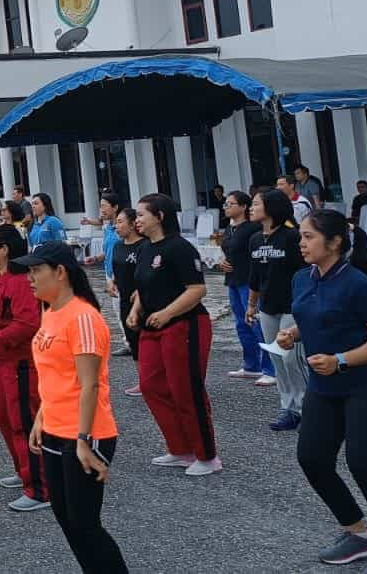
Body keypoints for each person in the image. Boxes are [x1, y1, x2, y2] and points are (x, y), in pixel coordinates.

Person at [276, 210, 367, 572]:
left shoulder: (360, 285)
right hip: (324, 387)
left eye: (308, 237)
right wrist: (292, 333)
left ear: (334, 242)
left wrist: (341, 359)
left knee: (364, 465)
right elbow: (312, 316)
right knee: (313, 459)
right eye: (301, 236)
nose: (301, 243)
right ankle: (357, 533)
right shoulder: (301, 278)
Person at [21, 242, 128, 574]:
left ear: (61, 272)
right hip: (54, 428)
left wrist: (83, 439)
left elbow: (89, 383)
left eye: (36, 270)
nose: (30, 279)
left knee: (85, 522)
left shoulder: (83, 317)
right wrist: (40, 418)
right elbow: (54, 374)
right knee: (65, 516)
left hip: (86, 432)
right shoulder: (50, 312)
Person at [127, 194, 220, 475]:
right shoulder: (144, 249)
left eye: (142, 215)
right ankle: (180, 448)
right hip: (152, 327)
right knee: (151, 386)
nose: (137, 220)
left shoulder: (180, 248)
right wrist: (135, 309)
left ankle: (207, 456)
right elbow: (142, 286)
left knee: (186, 390)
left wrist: (167, 312)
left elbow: (197, 289)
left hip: (184, 324)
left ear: (160, 216)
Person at [0, 224, 47, 511]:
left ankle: (41, 487)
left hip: (19, 363)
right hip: (2, 362)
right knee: (5, 418)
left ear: (4, 249)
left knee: (24, 423)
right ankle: (24, 470)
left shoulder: (18, 282)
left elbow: (28, 324)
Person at [247, 189, 308, 430]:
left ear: (271, 207)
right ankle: (288, 408)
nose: (251, 208)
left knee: (292, 359)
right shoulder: (255, 239)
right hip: (268, 307)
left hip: (292, 306)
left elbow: (305, 272)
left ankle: (307, 409)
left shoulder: (292, 237)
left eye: (255, 204)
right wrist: (252, 304)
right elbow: (255, 277)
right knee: (277, 359)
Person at [216, 191, 266, 382]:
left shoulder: (253, 228)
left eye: (231, 204)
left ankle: (268, 366)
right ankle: (251, 364)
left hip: (248, 279)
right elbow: (228, 250)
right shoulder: (229, 229)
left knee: (255, 322)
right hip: (232, 280)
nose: (227, 207)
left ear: (243, 207)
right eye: (225, 204)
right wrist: (223, 262)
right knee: (240, 324)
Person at [104, 204, 143, 395]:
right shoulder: (118, 246)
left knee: (145, 339)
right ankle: (142, 380)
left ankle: (154, 379)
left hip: (142, 300)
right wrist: (112, 281)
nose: (116, 226)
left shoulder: (143, 246)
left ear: (133, 224)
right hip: (124, 299)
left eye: (120, 222)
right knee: (132, 339)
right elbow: (117, 269)